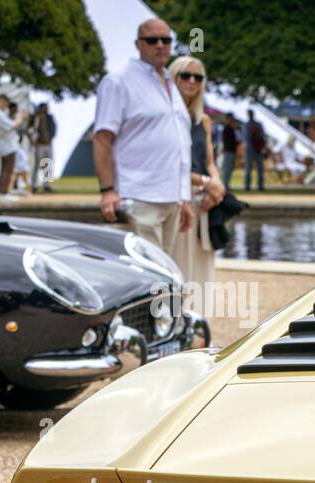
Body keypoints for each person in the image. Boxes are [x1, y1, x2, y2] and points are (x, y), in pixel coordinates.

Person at [93, 18, 192, 254]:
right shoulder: (118, 82)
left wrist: (184, 196)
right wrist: (107, 190)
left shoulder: (170, 82)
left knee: (165, 273)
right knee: (147, 272)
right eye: (152, 40)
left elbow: (179, 142)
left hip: (172, 198)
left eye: (166, 40)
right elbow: (102, 138)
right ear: (138, 44)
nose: (160, 45)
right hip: (139, 194)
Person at [169, 56, 226, 312]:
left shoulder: (203, 121)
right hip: (180, 194)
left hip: (205, 198)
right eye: (185, 75)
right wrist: (205, 181)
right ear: (174, 77)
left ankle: (200, 321)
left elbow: (209, 160)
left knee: (203, 265)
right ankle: (177, 318)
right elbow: (171, 165)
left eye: (198, 77)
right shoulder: (167, 117)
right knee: (180, 261)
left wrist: (216, 184)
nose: (192, 81)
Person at [0, 95, 26, 201]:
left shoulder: (1, 114)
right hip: (6, 146)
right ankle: (2, 193)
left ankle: (3, 191)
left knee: (5, 169)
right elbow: (11, 126)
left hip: (5, 145)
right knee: (7, 169)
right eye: (5, 103)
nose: (6, 106)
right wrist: (20, 118)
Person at [29, 104, 55, 192]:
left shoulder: (49, 117)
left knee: (47, 163)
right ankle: (34, 184)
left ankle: (46, 185)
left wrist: (51, 137)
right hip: (39, 144)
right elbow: (29, 129)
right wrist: (32, 138)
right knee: (37, 164)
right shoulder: (35, 118)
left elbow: (53, 129)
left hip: (48, 143)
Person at [243, 109, 266, 191]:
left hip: (258, 149)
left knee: (260, 168)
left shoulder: (258, 124)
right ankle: (247, 185)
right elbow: (246, 137)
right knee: (248, 168)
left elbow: (262, 136)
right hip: (250, 149)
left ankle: (260, 185)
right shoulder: (246, 125)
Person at [219, 117, 239, 186]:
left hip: (231, 151)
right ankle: (225, 184)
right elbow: (227, 141)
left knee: (229, 169)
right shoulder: (227, 128)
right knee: (226, 169)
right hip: (228, 151)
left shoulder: (231, 128)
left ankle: (226, 184)